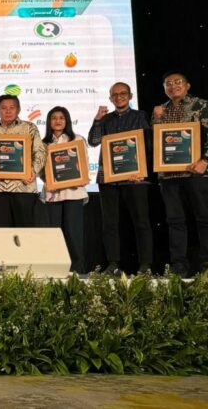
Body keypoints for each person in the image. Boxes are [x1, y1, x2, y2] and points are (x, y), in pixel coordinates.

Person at [151, 72, 208, 276]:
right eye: (168, 83)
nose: (173, 86)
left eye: (178, 82)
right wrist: (157, 119)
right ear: (164, 88)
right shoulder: (159, 110)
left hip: (197, 172)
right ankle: (179, 265)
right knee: (174, 221)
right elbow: (155, 142)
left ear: (187, 85)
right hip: (168, 176)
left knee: (205, 218)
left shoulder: (202, 105)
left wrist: (205, 161)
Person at [87, 82, 153, 274]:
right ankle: (113, 264)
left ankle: (145, 265)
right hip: (109, 178)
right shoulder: (105, 119)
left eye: (123, 93)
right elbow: (93, 141)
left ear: (130, 96)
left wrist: (142, 169)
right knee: (110, 224)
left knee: (141, 222)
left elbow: (149, 144)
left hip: (135, 178)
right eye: (114, 95)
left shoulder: (140, 116)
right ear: (110, 98)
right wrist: (97, 120)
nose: (119, 97)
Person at [40, 106, 88, 273]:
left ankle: (77, 270)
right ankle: (56, 269)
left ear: (67, 120)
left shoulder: (77, 139)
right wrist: (47, 180)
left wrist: (77, 178)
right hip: (53, 194)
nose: (58, 121)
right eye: (54, 118)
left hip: (73, 193)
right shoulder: (44, 143)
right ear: (49, 122)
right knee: (54, 234)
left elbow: (83, 164)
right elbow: (41, 169)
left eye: (61, 117)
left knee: (74, 234)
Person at [0, 94, 45, 227]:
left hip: (24, 188)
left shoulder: (30, 127)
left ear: (18, 110)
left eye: (12, 107)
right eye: (3, 108)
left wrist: (33, 171)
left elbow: (40, 152)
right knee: (2, 232)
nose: (7, 111)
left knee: (25, 232)